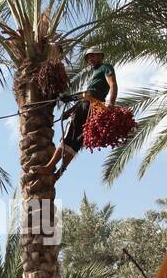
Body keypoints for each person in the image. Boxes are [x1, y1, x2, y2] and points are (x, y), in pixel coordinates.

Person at [49, 47, 117, 181]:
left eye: (92, 56)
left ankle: (50, 166)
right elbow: (86, 96)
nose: (90, 60)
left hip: (91, 106)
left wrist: (111, 104)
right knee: (76, 143)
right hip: (89, 107)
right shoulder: (95, 74)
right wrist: (69, 109)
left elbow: (113, 85)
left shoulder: (105, 68)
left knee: (69, 137)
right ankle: (58, 174)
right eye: (88, 58)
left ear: (100, 56)